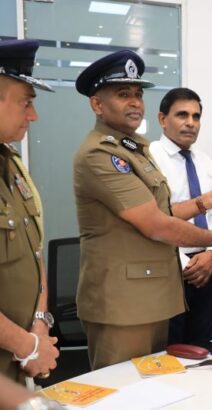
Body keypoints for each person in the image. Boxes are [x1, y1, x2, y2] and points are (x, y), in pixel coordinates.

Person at [73, 50, 212, 370]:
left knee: (172, 378)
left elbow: (164, 211)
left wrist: (204, 205)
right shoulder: (102, 154)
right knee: (124, 387)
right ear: (97, 104)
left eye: (138, 94)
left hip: (154, 295)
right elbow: (157, 224)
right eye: (123, 94)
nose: (135, 102)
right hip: (125, 301)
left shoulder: (136, 149)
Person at [0, 39, 59, 382]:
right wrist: (28, 346)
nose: (33, 115)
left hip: (16, 361)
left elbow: (34, 253)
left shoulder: (12, 164)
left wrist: (39, 323)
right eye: (26, 102)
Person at [149, 88, 212, 345]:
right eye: (182, 115)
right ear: (162, 119)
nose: (191, 122)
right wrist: (187, 264)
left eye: (196, 116)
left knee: (204, 350)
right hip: (169, 268)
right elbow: (153, 219)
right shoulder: (150, 157)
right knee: (169, 351)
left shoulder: (205, 161)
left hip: (207, 267)